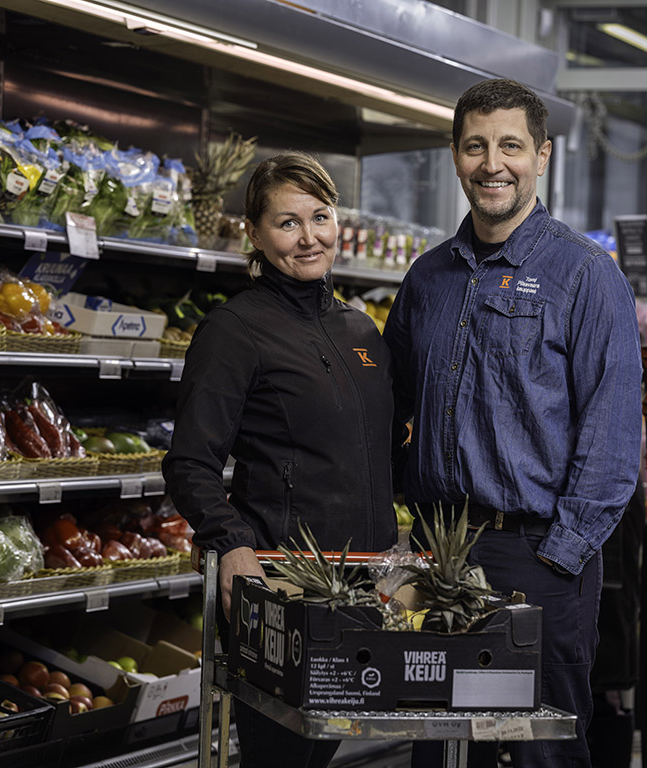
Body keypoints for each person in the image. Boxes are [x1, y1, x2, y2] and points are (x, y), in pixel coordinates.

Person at [383, 79, 643, 768]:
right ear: (455, 155)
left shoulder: (585, 274)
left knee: (539, 752)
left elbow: (613, 435)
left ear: (542, 156)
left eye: (510, 146)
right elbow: (396, 403)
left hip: (538, 557)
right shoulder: (428, 278)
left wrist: (559, 557)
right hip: (440, 553)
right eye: (475, 146)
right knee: (438, 743)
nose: (492, 163)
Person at [163, 151, 397, 768]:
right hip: (281, 583)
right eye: (287, 223)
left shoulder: (360, 330)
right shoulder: (234, 330)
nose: (309, 237)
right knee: (282, 755)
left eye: (320, 217)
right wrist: (230, 540)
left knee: (322, 751)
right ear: (256, 235)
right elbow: (189, 461)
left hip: (363, 580)